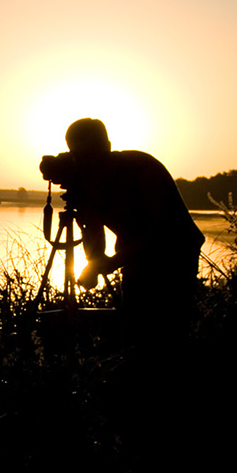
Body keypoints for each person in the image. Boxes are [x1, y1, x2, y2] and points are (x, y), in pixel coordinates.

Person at [42, 117, 205, 352]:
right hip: (133, 254)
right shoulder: (85, 178)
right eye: (79, 155)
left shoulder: (141, 167)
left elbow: (161, 231)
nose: (87, 162)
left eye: (92, 154)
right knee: (133, 330)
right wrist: (94, 263)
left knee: (169, 332)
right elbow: (94, 227)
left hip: (176, 252)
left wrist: (110, 263)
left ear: (107, 146)